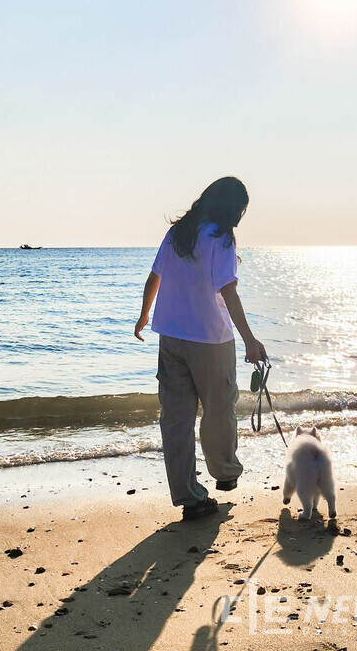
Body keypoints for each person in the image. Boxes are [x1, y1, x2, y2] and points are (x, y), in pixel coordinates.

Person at [134, 176, 267, 520]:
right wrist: (250, 340)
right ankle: (224, 472)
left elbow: (154, 276)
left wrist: (144, 315)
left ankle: (188, 497)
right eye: (241, 210)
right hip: (210, 339)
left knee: (176, 420)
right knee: (219, 408)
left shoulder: (177, 233)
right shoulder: (221, 238)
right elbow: (228, 290)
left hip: (171, 337)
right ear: (231, 208)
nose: (240, 218)